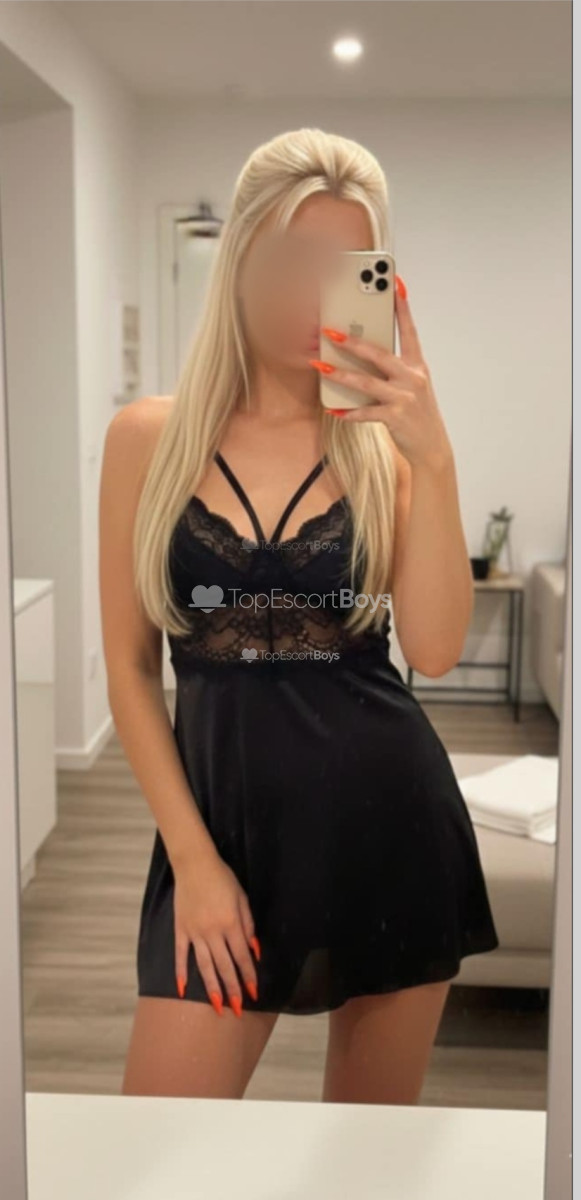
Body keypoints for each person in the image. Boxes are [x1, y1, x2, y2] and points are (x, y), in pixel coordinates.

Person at [99, 127, 499, 1105]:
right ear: (239, 255)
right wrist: (193, 862)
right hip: (221, 836)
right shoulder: (147, 439)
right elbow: (130, 670)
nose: (306, 294)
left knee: (365, 1154)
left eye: (339, 268)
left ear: (372, 280)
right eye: (287, 258)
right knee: (157, 1146)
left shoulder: (385, 455)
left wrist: (434, 456)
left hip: (388, 832)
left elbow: (435, 649)